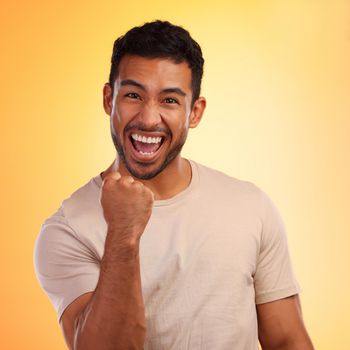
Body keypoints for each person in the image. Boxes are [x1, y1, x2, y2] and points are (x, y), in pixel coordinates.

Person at [34, 20, 314, 350]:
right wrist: (123, 232)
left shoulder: (250, 206)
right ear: (109, 99)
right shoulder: (68, 229)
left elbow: (287, 341)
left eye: (169, 100)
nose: (149, 118)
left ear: (195, 112)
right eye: (133, 95)